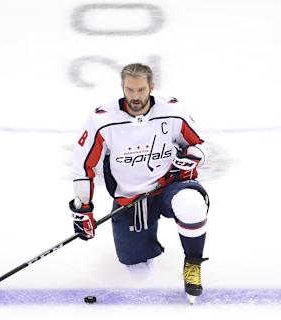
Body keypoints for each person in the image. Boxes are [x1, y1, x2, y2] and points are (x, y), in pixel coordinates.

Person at [69, 63, 210, 303]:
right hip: (131, 199)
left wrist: (193, 156)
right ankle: (145, 247)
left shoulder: (173, 111)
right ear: (122, 88)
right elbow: (83, 166)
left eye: (141, 90)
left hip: (170, 187)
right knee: (139, 273)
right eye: (130, 90)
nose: (135, 97)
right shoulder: (102, 120)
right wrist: (83, 208)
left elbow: (200, 146)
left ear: (151, 87)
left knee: (192, 203)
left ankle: (193, 264)